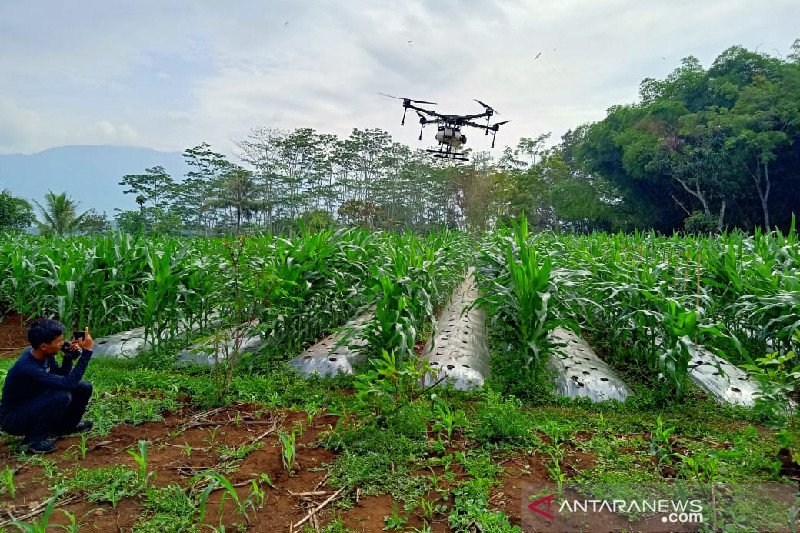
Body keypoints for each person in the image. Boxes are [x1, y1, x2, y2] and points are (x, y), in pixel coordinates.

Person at [0, 319, 95, 453]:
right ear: (44, 346)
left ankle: (68, 426)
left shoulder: (42, 354)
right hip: (14, 419)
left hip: (33, 403)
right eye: (59, 341)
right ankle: (35, 440)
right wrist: (87, 352)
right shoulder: (28, 367)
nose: (62, 343)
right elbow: (68, 383)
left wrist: (68, 356)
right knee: (61, 396)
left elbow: (62, 374)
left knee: (83, 387)